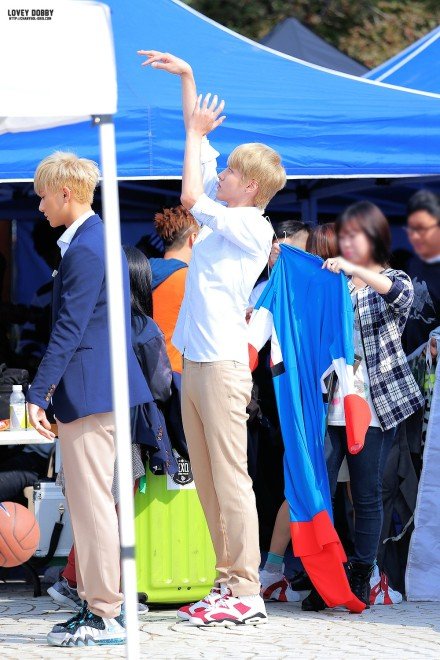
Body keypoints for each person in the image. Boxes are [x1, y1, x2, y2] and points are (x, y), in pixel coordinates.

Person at [139, 49, 286, 626]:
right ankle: (226, 584)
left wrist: (195, 135)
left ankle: (246, 589)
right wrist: (188, 78)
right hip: (197, 362)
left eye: (228, 174)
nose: (219, 175)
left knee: (231, 479)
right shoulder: (226, 215)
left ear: (248, 185)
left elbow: (189, 194)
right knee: (207, 481)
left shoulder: (252, 224)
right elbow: (198, 151)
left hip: (223, 366)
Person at [27, 152, 150, 647]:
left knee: (92, 503)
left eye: (42, 196)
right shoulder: (96, 241)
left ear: (65, 193)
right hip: (99, 388)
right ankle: (100, 606)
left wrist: (39, 392)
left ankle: (103, 613)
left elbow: (69, 329)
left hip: (90, 390)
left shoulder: (86, 247)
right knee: (93, 501)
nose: (39, 207)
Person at [302, 201, 424, 611]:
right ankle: (327, 577)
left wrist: (354, 270)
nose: (349, 242)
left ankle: (359, 575)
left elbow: (400, 295)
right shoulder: (333, 282)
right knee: (321, 491)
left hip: (374, 405)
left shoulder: (391, 279)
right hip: (329, 404)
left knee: (366, 494)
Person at [259, 222, 339, 603]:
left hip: (321, 402)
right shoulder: (281, 284)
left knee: (312, 483)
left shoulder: (333, 285)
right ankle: (282, 569)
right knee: (303, 481)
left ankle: (284, 569)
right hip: (294, 400)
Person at [149, 205, 199, 372]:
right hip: (178, 374)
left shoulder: (141, 272)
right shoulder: (191, 280)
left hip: (143, 373)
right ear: (193, 238)